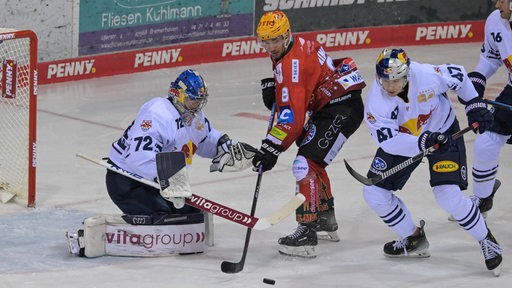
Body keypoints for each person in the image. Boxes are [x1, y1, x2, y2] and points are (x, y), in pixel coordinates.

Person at [361, 47, 502, 275]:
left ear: (407, 74)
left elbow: (458, 75)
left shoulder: (425, 75)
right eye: (385, 80)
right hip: (407, 140)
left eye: (396, 79)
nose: (390, 86)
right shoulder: (377, 102)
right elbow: (389, 142)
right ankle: (414, 238)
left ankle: (486, 239)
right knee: (374, 193)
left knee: (448, 196)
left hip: (443, 131)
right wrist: (423, 141)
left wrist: (474, 104)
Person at [252, 10, 366, 258]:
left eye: (275, 39)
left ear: (287, 34)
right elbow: (300, 89)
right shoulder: (291, 47)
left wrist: (271, 148)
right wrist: (278, 89)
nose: (271, 46)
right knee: (310, 155)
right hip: (335, 104)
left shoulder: (292, 63)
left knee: (304, 163)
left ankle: (306, 232)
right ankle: (324, 218)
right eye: (266, 41)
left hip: (340, 108)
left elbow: (292, 120)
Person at [106, 69, 256, 217]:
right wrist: (170, 179)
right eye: (194, 100)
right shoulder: (157, 113)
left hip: (159, 181)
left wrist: (225, 146)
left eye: (200, 100)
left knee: (191, 215)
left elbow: (204, 138)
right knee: (162, 218)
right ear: (179, 95)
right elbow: (138, 158)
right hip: (128, 179)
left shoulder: (192, 114)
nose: (197, 105)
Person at [466, 0, 512, 219]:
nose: (496, 4)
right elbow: (490, 58)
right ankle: (482, 199)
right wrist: (477, 81)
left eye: (502, 0)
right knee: (486, 142)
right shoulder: (496, 21)